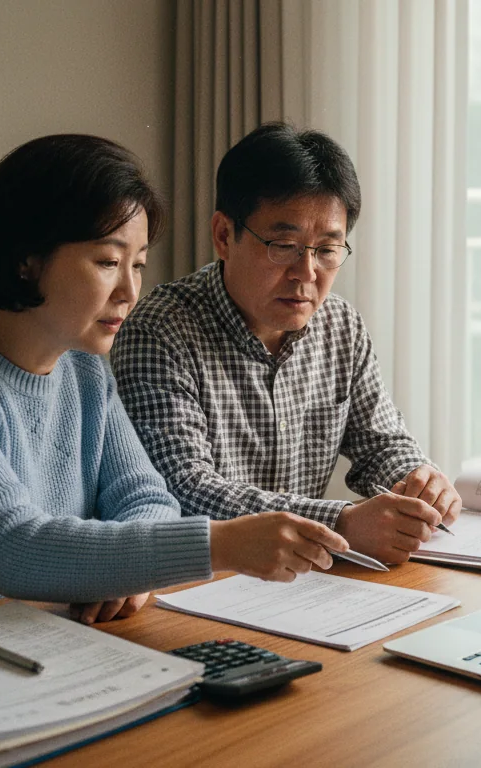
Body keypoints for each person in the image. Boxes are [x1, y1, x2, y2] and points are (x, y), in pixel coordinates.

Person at [0, 134, 353, 656]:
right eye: (107, 262)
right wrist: (220, 544)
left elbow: (147, 501)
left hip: (5, 654)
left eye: (139, 264)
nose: (130, 291)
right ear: (27, 259)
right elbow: (14, 548)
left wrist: (123, 575)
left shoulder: (82, 368)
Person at [112, 123, 459, 566]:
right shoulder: (160, 330)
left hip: (301, 582)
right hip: (206, 583)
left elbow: (381, 444)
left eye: (328, 249)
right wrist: (341, 524)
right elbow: (184, 490)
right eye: (284, 245)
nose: (307, 273)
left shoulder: (340, 325)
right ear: (223, 236)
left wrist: (417, 480)